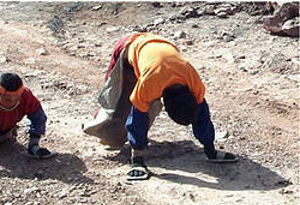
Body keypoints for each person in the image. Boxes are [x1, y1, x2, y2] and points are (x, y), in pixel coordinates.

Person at [83, 33, 238, 181]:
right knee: (116, 107)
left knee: (142, 105)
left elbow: (202, 116)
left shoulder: (194, 84)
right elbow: (138, 118)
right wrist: (137, 160)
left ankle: (127, 138)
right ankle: (95, 122)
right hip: (128, 46)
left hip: (157, 46)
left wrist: (210, 149)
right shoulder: (151, 84)